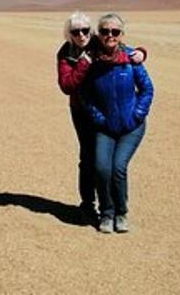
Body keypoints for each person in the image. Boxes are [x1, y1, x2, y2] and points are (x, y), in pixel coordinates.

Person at [56, 11, 146, 225]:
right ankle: (88, 205)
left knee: (108, 164)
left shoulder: (100, 40)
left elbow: (121, 50)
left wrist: (141, 53)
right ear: (69, 34)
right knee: (89, 159)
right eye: (75, 31)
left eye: (85, 30)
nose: (81, 35)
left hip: (107, 110)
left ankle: (113, 209)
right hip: (82, 110)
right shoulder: (66, 52)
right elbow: (67, 86)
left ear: (91, 31)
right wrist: (84, 63)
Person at [82, 13, 153, 234]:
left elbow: (147, 89)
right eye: (104, 31)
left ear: (122, 34)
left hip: (131, 127)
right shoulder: (92, 62)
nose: (109, 35)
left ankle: (121, 213)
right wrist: (99, 118)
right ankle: (107, 213)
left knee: (118, 168)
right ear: (99, 34)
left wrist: (137, 115)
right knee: (102, 168)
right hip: (105, 127)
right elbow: (86, 95)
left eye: (115, 32)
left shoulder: (132, 60)